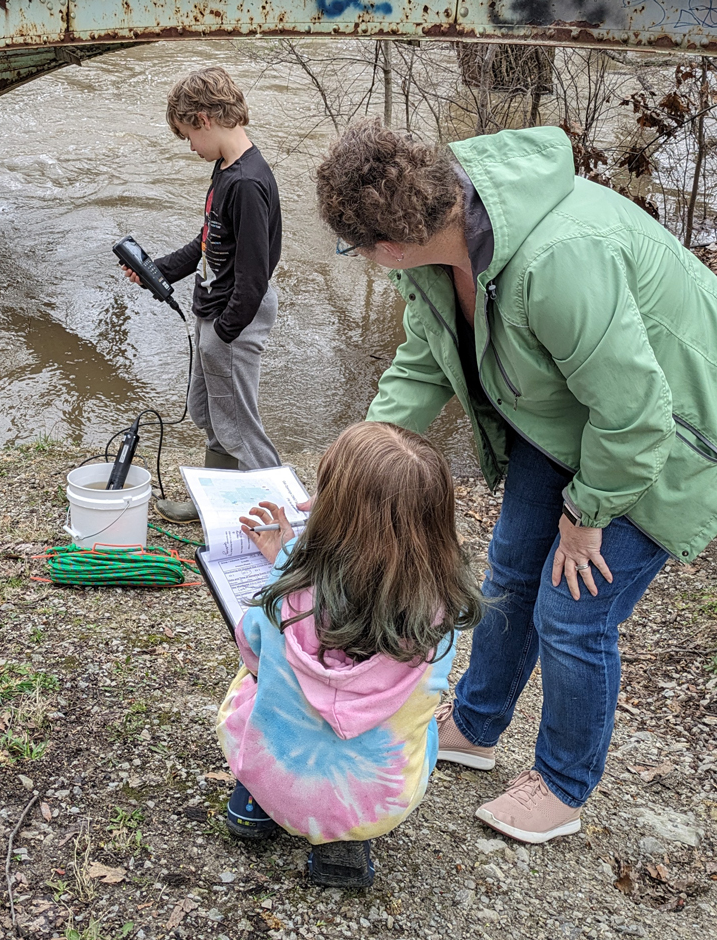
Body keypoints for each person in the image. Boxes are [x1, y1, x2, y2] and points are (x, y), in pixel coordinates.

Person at [315, 119, 717, 844]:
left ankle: (563, 786)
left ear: (390, 244)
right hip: (565, 414)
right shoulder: (435, 247)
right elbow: (424, 363)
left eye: (356, 248)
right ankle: (475, 723)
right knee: (508, 573)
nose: (364, 259)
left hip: (669, 434)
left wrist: (588, 513)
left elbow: (637, 414)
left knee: (573, 610)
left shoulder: (558, 261)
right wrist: (359, 461)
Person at [216, 421, 485, 887]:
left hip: (278, 773)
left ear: (330, 512)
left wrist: (285, 558)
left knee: (253, 677)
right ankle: (342, 849)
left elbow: (255, 651)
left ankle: (253, 810)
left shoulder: (284, 596)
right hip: (380, 798)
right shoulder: (441, 616)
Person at [121, 65, 282, 523]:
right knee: (208, 410)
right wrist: (160, 271)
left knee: (240, 426)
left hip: (236, 315)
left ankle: (282, 514)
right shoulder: (226, 170)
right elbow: (208, 241)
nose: (190, 146)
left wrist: (225, 332)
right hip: (215, 308)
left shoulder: (248, 183)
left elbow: (255, 274)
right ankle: (217, 501)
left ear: (205, 118)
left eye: (187, 134)